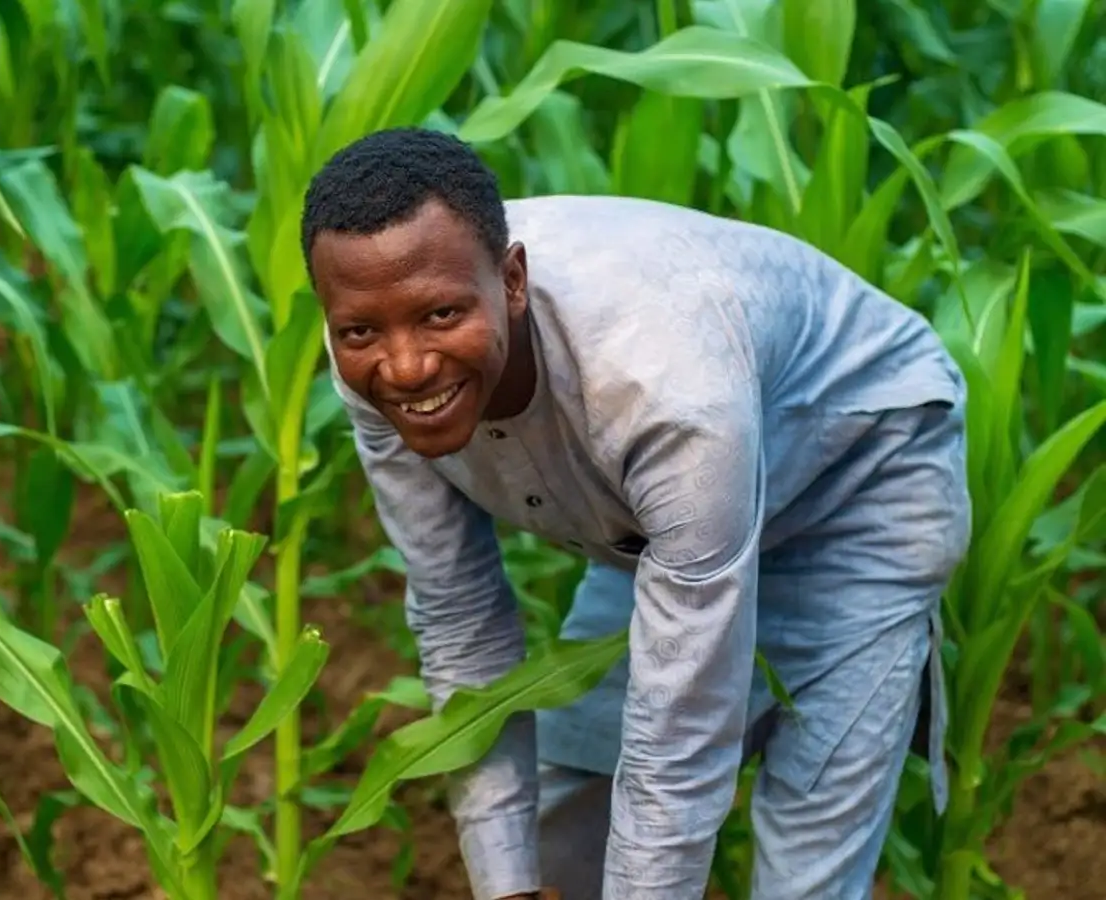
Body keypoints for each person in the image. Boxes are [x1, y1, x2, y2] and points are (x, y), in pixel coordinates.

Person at [299, 126, 972, 900]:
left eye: (442, 316)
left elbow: (680, 733)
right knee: (561, 827)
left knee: (804, 866)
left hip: (857, 490)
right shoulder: (372, 357)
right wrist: (506, 886)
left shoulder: (663, 388)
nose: (407, 365)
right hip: (661, 528)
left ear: (512, 282)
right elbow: (458, 612)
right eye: (361, 331)